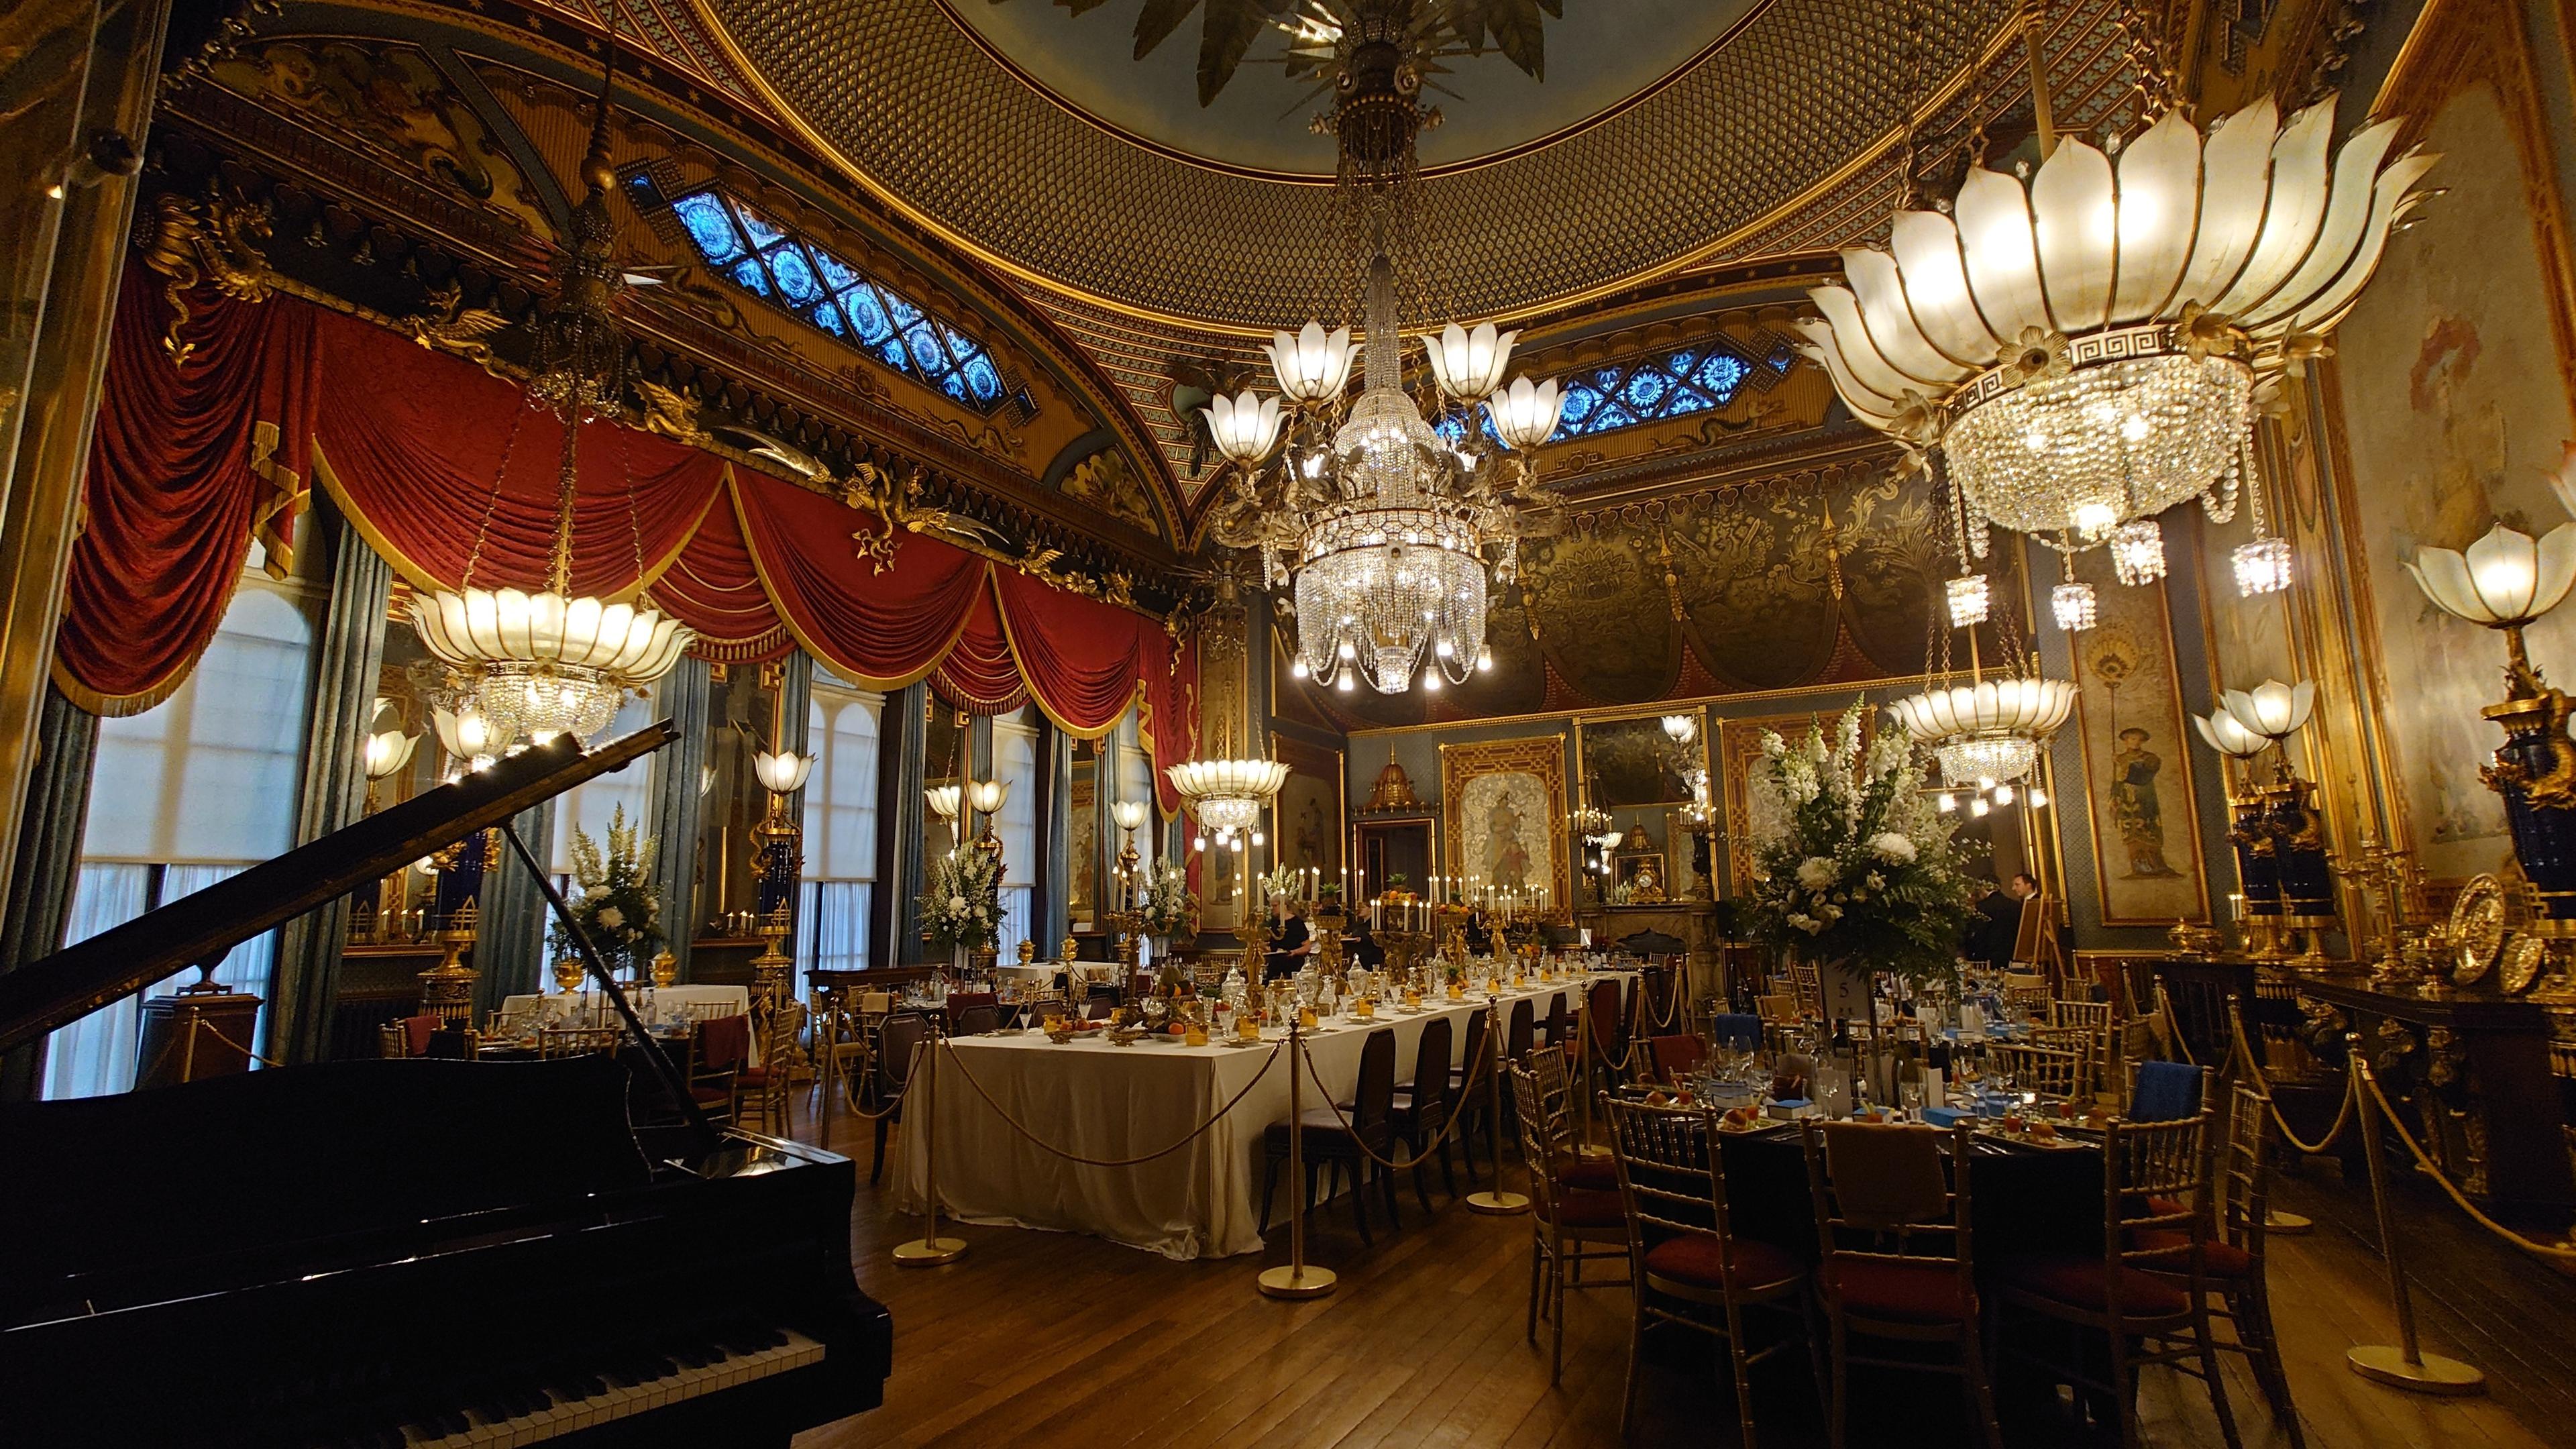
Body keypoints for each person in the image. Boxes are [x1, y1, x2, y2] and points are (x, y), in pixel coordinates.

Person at [1265, 894, 1311, 980]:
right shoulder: (1274, 922)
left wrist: (1293, 952)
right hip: (1275, 966)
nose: (1272, 908)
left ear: (1284, 905)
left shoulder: (1296, 923)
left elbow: (1307, 947)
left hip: (1293, 965)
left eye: (1275, 906)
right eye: (1271, 906)